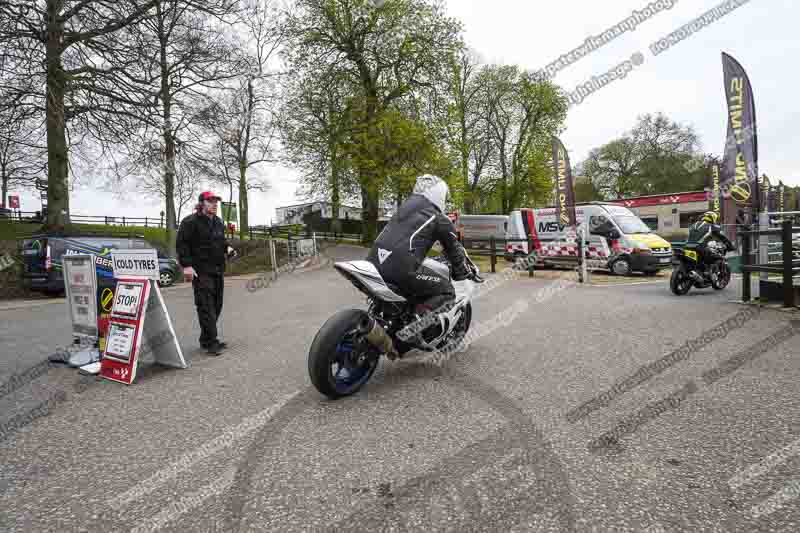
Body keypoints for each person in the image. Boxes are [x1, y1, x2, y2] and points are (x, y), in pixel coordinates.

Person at [366, 174, 473, 342]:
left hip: (373, 263)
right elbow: (453, 250)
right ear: (439, 194)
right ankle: (414, 328)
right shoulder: (438, 218)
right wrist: (461, 272)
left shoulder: (403, 209)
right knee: (447, 291)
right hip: (400, 269)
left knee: (415, 284)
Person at [176, 192, 237, 355]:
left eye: (216, 201)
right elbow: (182, 244)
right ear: (201, 203)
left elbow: (221, 241)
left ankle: (205, 339)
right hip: (200, 271)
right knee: (206, 306)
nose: (214, 204)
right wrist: (187, 266)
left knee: (217, 305)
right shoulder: (190, 222)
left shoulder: (217, 222)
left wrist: (228, 248)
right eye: (210, 201)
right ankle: (212, 342)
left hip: (217, 269)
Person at [685, 211, 735, 281]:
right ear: (713, 218)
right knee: (716, 257)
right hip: (700, 248)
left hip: (687, 247)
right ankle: (707, 273)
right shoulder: (712, 226)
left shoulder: (694, 224)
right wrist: (730, 246)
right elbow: (722, 237)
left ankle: (700, 272)